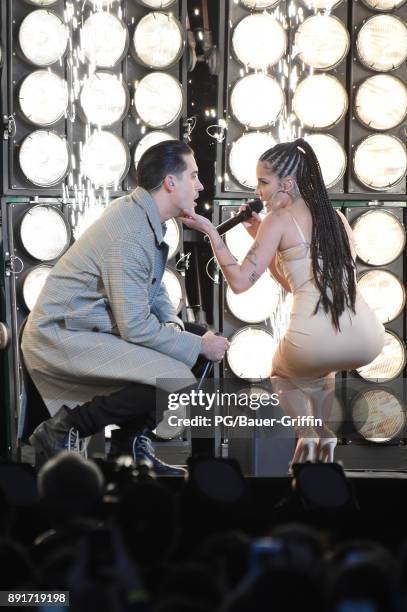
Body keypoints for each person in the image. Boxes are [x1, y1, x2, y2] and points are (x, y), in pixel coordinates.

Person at [22, 140, 230, 475]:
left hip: (93, 328)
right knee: (174, 377)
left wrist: (178, 328)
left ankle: (130, 447)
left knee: (191, 341)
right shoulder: (130, 231)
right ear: (170, 182)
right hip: (62, 336)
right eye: (193, 175)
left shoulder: (142, 216)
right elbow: (134, 327)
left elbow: (153, 286)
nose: (201, 185)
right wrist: (197, 345)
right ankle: (65, 427)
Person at [178, 138, 385, 466]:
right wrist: (256, 233)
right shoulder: (336, 219)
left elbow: (240, 282)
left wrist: (212, 234)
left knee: (281, 372)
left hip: (315, 340)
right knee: (321, 369)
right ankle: (324, 435)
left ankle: (307, 433)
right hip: (368, 337)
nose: (258, 191)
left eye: (263, 182)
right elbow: (295, 282)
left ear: (287, 184)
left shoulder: (280, 219)